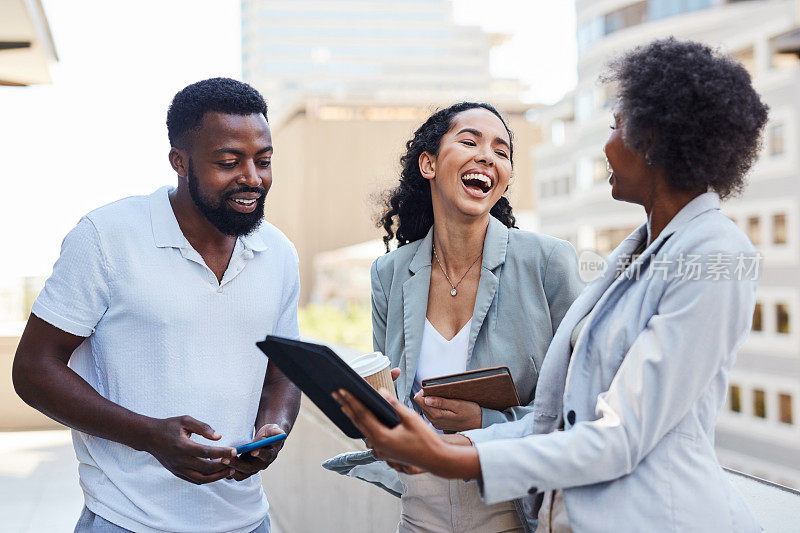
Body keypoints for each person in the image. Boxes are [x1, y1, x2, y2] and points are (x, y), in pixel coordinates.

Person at [334, 39, 769, 533]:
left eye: (615, 126)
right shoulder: (632, 255)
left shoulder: (716, 253)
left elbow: (616, 435)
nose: (606, 144)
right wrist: (433, 447)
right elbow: (554, 420)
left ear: (655, 138)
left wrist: (450, 455)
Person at [13, 78, 301, 533]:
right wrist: (149, 436)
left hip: (248, 520)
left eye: (263, 161)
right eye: (229, 162)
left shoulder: (279, 253)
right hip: (127, 520)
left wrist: (273, 428)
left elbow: (283, 370)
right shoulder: (106, 237)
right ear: (179, 163)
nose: (252, 178)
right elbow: (33, 369)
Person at [329, 102, 583, 533]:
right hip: (416, 510)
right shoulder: (389, 274)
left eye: (501, 151)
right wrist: (379, 410)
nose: (488, 156)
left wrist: (484, 424)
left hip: (513, 509)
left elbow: (582, 407)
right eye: (470, 141)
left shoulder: (549, 262)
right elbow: (391, 388)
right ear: (428, 163)